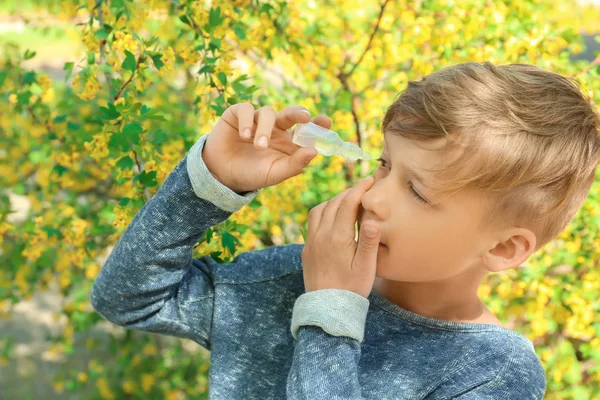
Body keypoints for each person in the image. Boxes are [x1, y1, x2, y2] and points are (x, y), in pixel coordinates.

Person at [90, 62, 600, 399]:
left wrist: (330, 315)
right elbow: (129, 299)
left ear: (505, 247)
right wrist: (210, 181)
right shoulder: (290, 278)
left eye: (418, 192)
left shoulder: (491, 372)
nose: (373, 196)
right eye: (382, 165)